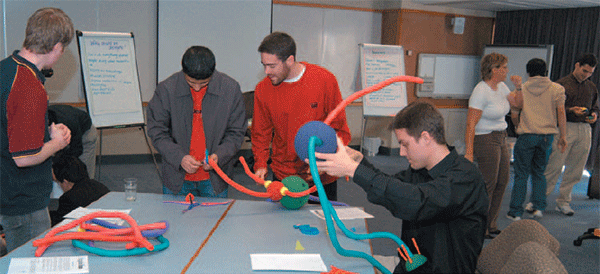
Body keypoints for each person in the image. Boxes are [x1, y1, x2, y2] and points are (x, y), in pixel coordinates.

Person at [313, 101, 488, 273]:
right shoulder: (420, 171)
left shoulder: (465, 177)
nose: (402, 153)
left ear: (426, 138)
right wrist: (359, 162)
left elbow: (415, 202)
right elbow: (392, 187)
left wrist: (354, 170)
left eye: (405, 144)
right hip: (411, 267)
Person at [0, 7, 73, 252]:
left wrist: (44, 133)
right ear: (57, 47)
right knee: (29, 263)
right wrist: (57, 143)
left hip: (5, 189)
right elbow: (24, 157)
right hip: (23, 201)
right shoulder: (29, 86)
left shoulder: (6, 69)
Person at [252, 32, 351, 201]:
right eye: (264, 65)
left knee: (323, 224)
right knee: (281, 225)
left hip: (320, 177)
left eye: (272, 66)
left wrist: (326, 163)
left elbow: (339, 129)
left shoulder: (324, 80)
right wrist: (260, 163)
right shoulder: (263, 89)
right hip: (283, 175)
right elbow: (260, 132)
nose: (266, 71)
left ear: (290, 60)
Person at [147, 46, 247, 198]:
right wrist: (179, 157)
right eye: (191, 83)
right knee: (176, 221)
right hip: (177, 179)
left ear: (212, 74)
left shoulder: (230, 89)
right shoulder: (166, 90)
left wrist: (219, 156)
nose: (197, 88)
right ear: (183, 72)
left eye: (204, 83)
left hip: (215, 179)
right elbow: (157, 131)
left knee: (216, 221)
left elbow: (236, 132)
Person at [506, 58, 567, 220]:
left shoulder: (521, 89)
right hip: (547, 137)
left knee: (521, 175)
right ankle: (538, 207)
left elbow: (514, 113)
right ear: (546, 71)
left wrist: (518, 127)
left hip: (527, 135)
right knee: (539, 173)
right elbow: (561, 113)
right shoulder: (557, 89)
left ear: (528, 72)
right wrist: (563, 136)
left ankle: (515, 212)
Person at [464, 52, 512, 238]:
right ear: (494, 70)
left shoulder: (502, 87)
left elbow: (517, 103)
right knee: (488, 184)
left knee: (503, 181)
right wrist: (469, 151)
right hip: (485, 138)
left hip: (501, 136)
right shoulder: (480, 91)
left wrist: (519, 87)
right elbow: (470, 124)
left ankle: (491, 224)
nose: (507, 70)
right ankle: (479, 226)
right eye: (504, 67)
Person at [544, 53, 598, 216]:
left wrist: (594, 115)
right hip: (564, 126)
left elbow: (595, 107)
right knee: (555, 165)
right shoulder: (561, 85)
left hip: (584, 129)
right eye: (584, 71)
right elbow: (550, 108)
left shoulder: (591, 87)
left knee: (576, 168)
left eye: (590, 72)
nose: (586, 75)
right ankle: (539, 199)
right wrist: (569, 110)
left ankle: (564, 201)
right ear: (576, 65)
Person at [49, 155, 109, 226]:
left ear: (65, 182)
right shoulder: (99, 186)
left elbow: (59, 223)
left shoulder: (68, 198)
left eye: (58, 182)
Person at [48, 104, 98, 179]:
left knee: (81, 173)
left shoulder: (68, 120)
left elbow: (76, 150)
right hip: (69, 132)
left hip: (85, 135)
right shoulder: (42, 120)